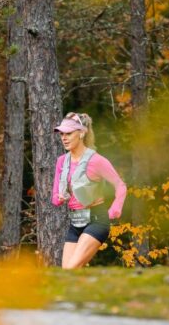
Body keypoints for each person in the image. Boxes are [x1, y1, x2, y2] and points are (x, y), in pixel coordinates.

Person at [51, 112, 127, 269]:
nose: (64, 138)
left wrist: (114, 210)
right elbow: (55, 198)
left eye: (69, 133)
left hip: (96, 221)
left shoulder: (96, 160)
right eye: (62, 134)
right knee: (67, 272)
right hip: (75, 222)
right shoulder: (61, 162)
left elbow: (120, 185)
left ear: (81, 133)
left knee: (71, 269)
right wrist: (60, 197)